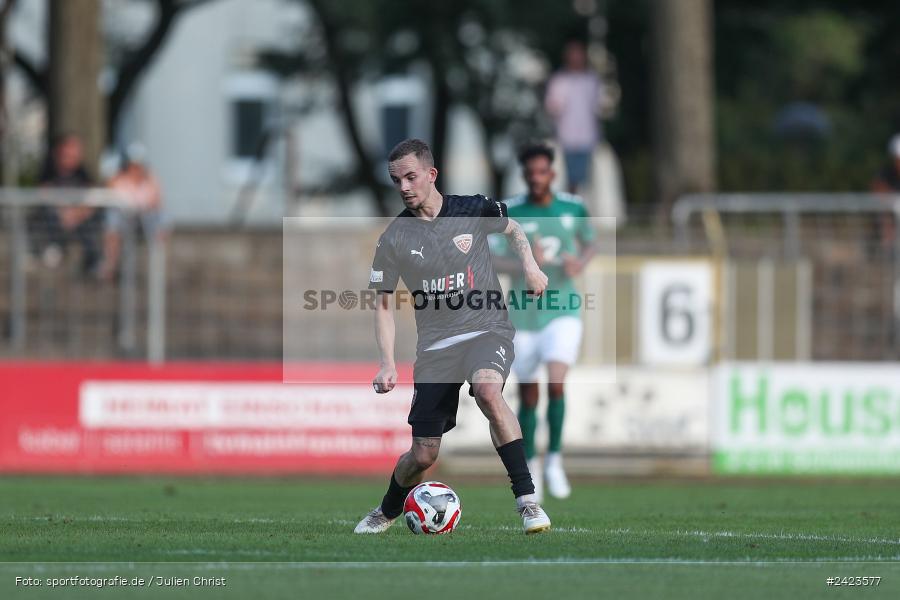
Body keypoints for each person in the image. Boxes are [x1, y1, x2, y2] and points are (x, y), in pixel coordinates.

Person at [354, 139, 552, 535]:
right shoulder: (395, 238)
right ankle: (387, 510)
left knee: (487, 390)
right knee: (424, 454)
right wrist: (387, 362)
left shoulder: (470, 209)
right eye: (397, 181)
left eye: (411, 177)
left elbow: (513, 228)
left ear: (431, 174)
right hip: (436, 348)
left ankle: (528, 502)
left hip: (486, 328)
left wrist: (531, 267)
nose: (405, 187)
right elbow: (382, 304)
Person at [492, 142, 598, 502]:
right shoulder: (512, 211)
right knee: (528, 393)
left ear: (552, 173)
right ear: (525, 175)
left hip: (562, 308)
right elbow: (495, 261)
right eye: (530, 173)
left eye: (542, 171)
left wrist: (579, 264)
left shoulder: (573, 206)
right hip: (523, 313)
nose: (537, 178)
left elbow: (590, 243)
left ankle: (555, 458)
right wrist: (525, 262)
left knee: (556, 382)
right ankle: (532, 462)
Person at [30, 134, 103, 274]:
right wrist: (64, 212)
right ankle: (52, 247)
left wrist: (75, 214)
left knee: (91, 225)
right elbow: (44, 194)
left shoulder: (83, 173)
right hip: (55, 218)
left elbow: (92, 197)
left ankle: (93, 261)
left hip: (77, 220)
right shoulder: (49, 171)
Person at [544, 39, 604, 194]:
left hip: (587, 137)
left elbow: (599, 107)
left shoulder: (591, 80)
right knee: (568, 179)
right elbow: (552, 107)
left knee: (587, 181)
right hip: (567, 138)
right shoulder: (559, 80)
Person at [99, 143, 164, 281]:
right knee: (113, 221)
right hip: (125, 219)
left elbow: (156, 202)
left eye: (138, 165)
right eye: (132, 165)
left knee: (160, 223)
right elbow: (111, 195)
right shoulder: (118, 179)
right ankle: (110, 267)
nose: (135, 169)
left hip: (144, 220)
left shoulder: (150, 180)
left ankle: (158, 271)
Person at [871, 133, 900, 254]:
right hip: (891, 217)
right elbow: (878, 190)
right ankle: (888, 250)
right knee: (885, 218)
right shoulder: (886, 173)